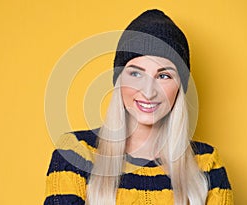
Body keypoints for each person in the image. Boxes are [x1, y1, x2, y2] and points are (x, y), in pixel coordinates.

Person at [43, 9, 234, 205]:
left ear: (179, 87)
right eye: (136, 74)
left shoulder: (207, 163)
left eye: (163, 76)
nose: (149, 91)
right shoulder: (76, 152)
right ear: (119, 80)